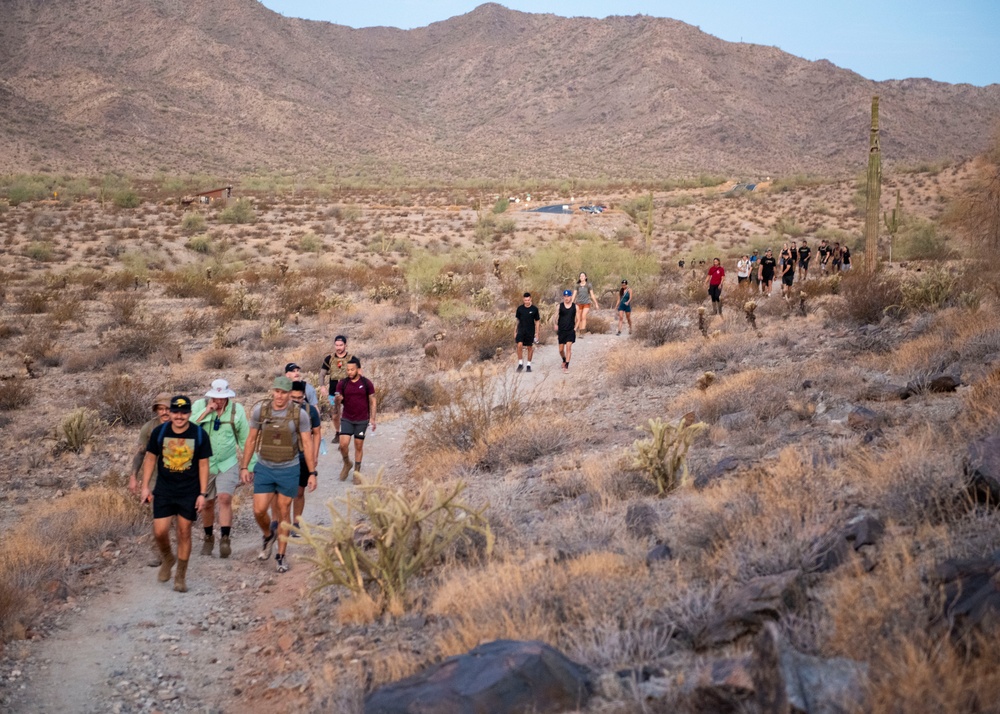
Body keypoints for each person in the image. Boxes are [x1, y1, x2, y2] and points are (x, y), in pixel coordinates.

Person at [239, 376, 316, 574]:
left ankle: (280, 556)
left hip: (289, 468)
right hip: (264, 466)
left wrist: (312, 472)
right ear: (272, 391)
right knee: (258, 510)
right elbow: (251, 439)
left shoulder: (300, 415)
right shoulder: (261, 411)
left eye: (284, 392)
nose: (280, 396)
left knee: (283, 510)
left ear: (290, 394)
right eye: (277, 391)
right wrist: (244, 467)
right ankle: (268, 535)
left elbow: (307, 444)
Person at [140, 396, 211, 593]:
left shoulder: (199, 434)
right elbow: (150, 459)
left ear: (189, 413)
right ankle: (168, 557)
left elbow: (204, 464)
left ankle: (180, 574)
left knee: (184, 531)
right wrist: (145, 487)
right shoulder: (159, 432)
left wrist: (202, 493)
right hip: (164, 489)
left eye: (184, 412)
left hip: (189, 491)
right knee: (160, 531)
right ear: (170, 413)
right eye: (176, 412)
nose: (179, 416)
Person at [190, 379, 251, 559]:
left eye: (223, 397)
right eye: (216, 397)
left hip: (227, 462)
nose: (219, 401)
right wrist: (206, 411)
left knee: (224, 498)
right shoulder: (199, 406)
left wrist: (249, 465)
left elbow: (245, 439)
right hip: (205, 464)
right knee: (207, 503)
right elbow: (188, 428)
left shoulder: (236, 410)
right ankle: (208, 537)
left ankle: (225, 538)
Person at [129, 392, 172, 567]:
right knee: (158, 518)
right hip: (156, 479)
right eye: (160, 409)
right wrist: (134, 477)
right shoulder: (149, 428)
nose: (164, 412)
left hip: (179, 478)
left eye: (168, 408)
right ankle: (162, 554)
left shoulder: (181, 426)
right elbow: (140, 454)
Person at [335, 357, 377, 483]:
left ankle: (357, 471)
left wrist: (373, 418)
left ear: (359, 370)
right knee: (343, 445)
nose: (349, 372)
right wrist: (338, 400)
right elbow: (337, 400)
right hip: (347, 418)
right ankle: (347, 463)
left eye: (352, 370)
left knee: (358, 446)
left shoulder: (366, 383)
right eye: (347, 370)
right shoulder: (342, 383)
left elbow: (373, 401)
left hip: (362, 420)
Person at [289, 380, 321, 533]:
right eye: (293, 398)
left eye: (299, 398)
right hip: (286, 456)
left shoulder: (310, 411)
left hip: (303, 456)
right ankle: (283, 523)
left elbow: (317, 433)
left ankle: (296, 524)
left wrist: (314, 457)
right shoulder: (280, 411)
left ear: (304, 396)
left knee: (300, 491)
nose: (296, 401)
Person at [514, 293, 540, 372]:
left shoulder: (534, 309)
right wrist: (515, 331)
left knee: (529, 347)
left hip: (530, 330)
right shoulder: (520, 309)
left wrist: (537, 333)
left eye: (528, 300)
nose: (527, 301)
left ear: (531, 299)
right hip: (521, 330)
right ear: (523, 300)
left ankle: (528, 365)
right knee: (519, 345)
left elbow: (537, 321)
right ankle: (520, 363)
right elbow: (517, 320)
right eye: (525, 300)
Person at [552, 289, 577, 372]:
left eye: (568, 296)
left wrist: (575, 328)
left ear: (571, 297)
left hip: (570, 330)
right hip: (562, 330)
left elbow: (578, 319)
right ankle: (564, 359)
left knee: (569, 348)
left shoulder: (575, 307)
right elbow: (555, 316)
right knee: (561, 349)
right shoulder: (560, 306)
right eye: (565, 296)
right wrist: (555, 324)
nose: (566, 298)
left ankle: (566, 366)